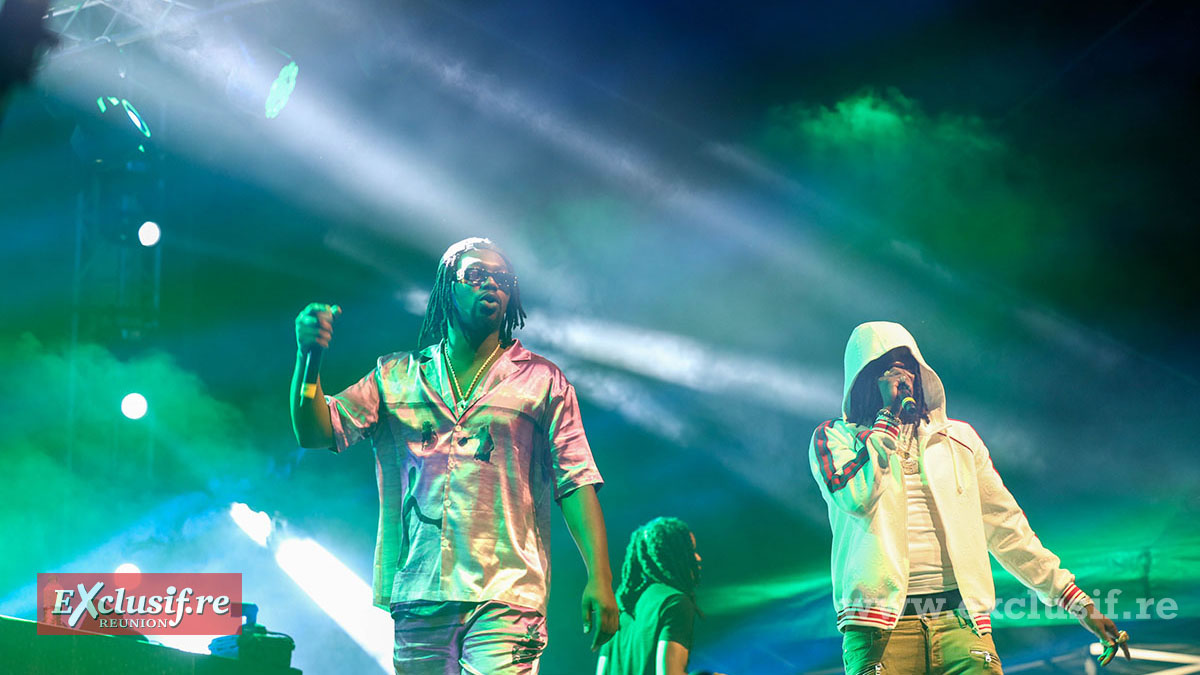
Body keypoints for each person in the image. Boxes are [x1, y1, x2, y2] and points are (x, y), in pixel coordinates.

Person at [291, 237, 620, 674]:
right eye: (476, 274)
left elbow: (576, 481)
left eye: (502, 278)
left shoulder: (542, 380)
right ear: (448, 286)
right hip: (421, 588)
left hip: (507, 592)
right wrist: (309, 358)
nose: (492, 284)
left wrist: (600, 577)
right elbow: (315, 431)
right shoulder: (397, 376)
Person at [809, 321, 1131, 674]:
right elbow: (856, 497)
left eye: (907, 366)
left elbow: (1007, 527)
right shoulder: (835, 438)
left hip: (960, 623)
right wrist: (887, 417)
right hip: (880, 629)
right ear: (863, 380)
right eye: (886, 370)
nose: (901, 378)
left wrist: (1078, 603)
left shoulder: (959, 439)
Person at [596, 517, 723, 675]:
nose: (698, 558)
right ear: (675, 555)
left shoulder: (622, 606)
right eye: (690, 550)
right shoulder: (674, 602)